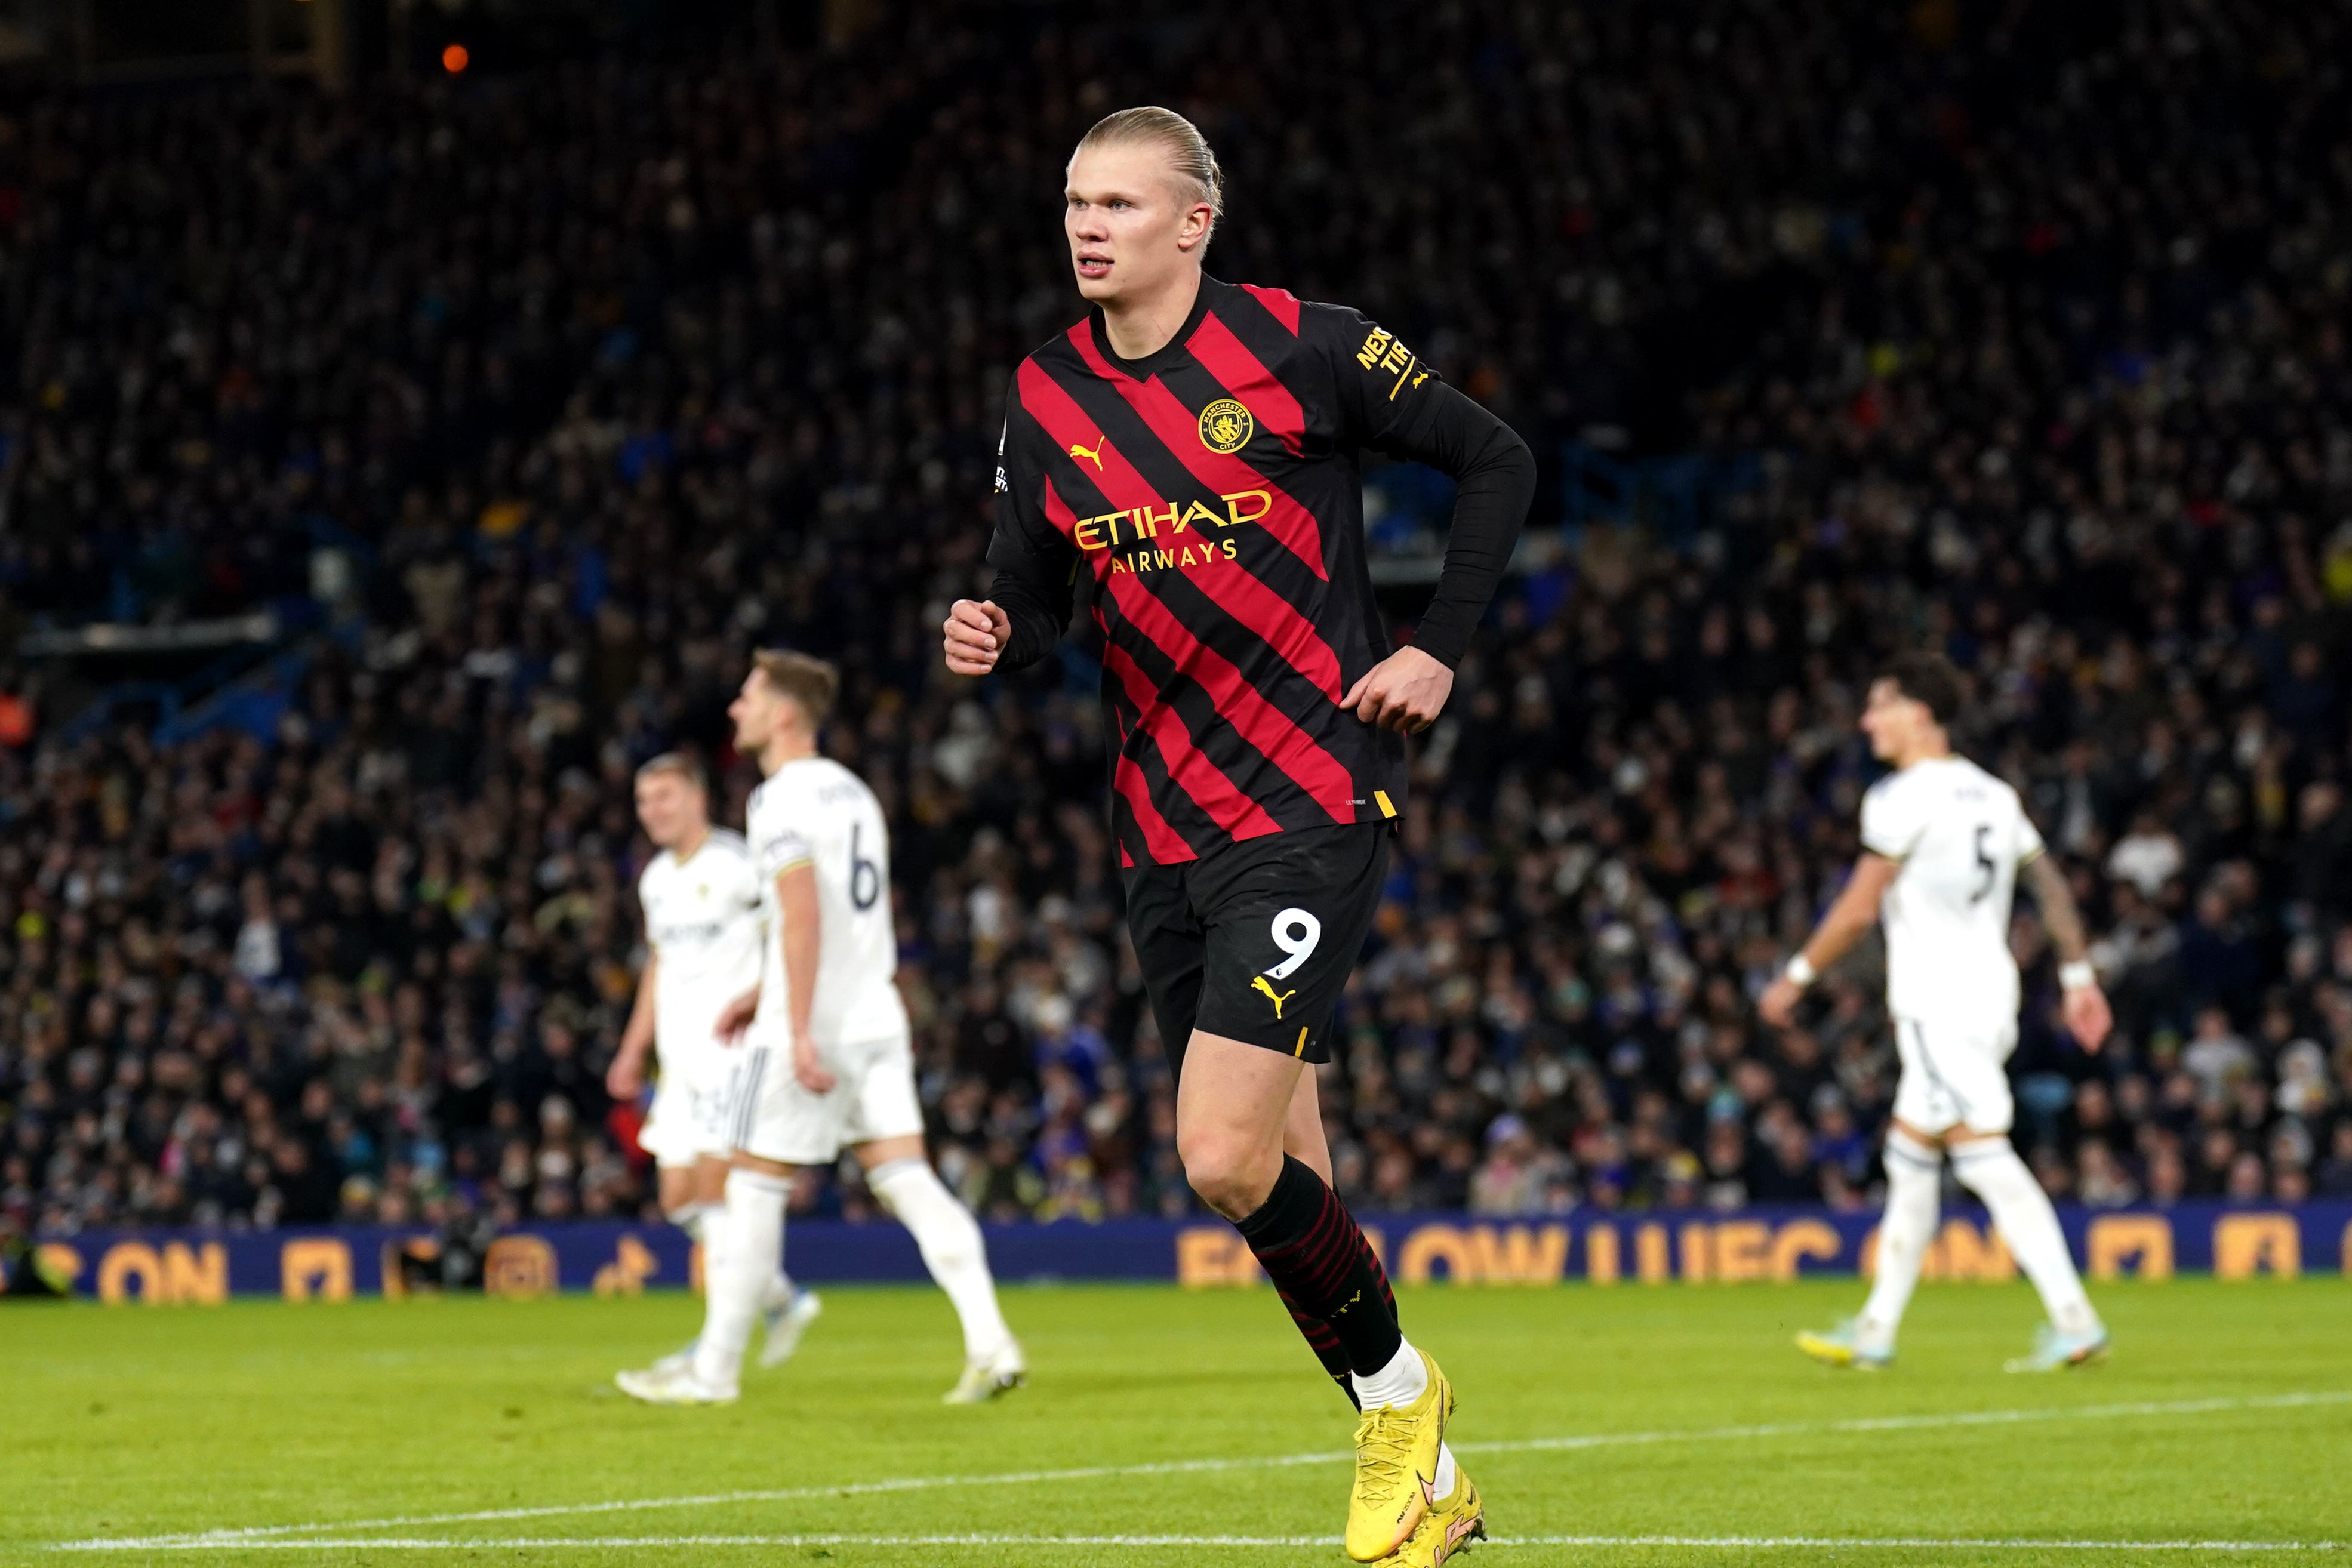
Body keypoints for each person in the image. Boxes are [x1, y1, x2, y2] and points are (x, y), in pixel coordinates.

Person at [941, 107, 1532, 1567]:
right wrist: (992, 628)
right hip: (1158, 828)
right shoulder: (1043, 395)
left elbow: (1495, 458)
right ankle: (1428, 1472)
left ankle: (1400, 1408)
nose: (1087, 227)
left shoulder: (1300, 344)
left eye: (1120, 204)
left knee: (1216, 1156)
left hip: (1307, 798)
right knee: (1283, 1195)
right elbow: (1029, 589)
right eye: (1074, 201)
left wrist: (1436, 646)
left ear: (1192, 221)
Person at [618, 651, 1023, 1406]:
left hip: (812, 1022)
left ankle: (713, 1372)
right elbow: (847, 913)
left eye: (747, 697)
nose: (734, 709)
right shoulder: (856, 793)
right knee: (908, 1179)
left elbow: (801, 911)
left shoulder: (778, 799)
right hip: (875, 1011)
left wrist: (794, 1023)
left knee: (749, 1186)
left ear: (782, 714)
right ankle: (991, 1342)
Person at [1760, 652, 2114, 1374]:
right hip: (1991, 993)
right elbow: (2049, 886)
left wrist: (1794, 977)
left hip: (1936, 1003)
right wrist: (2078, 976)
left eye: (1877, 705)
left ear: (1917, 712)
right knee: (1910, 1154)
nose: (1866, 721)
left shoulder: (1899, 797)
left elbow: (1859, 907)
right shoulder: (1993, 793)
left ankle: (2075, 1318)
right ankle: (1876, 1327)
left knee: (1982, 1152)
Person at [607, 753, 816, 1377]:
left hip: (733, 1054)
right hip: (678, 1061)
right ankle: (780, 1297)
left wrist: (769, 1008)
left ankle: (714, 1348)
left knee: (714, 1193)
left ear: (697, 797)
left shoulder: (735, 862)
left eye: (664, 796)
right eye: (644, 800)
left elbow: (791, 928)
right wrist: (631, 1047)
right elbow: (659, 964)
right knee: (678, 1199)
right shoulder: (655, 879)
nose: (653, 811)